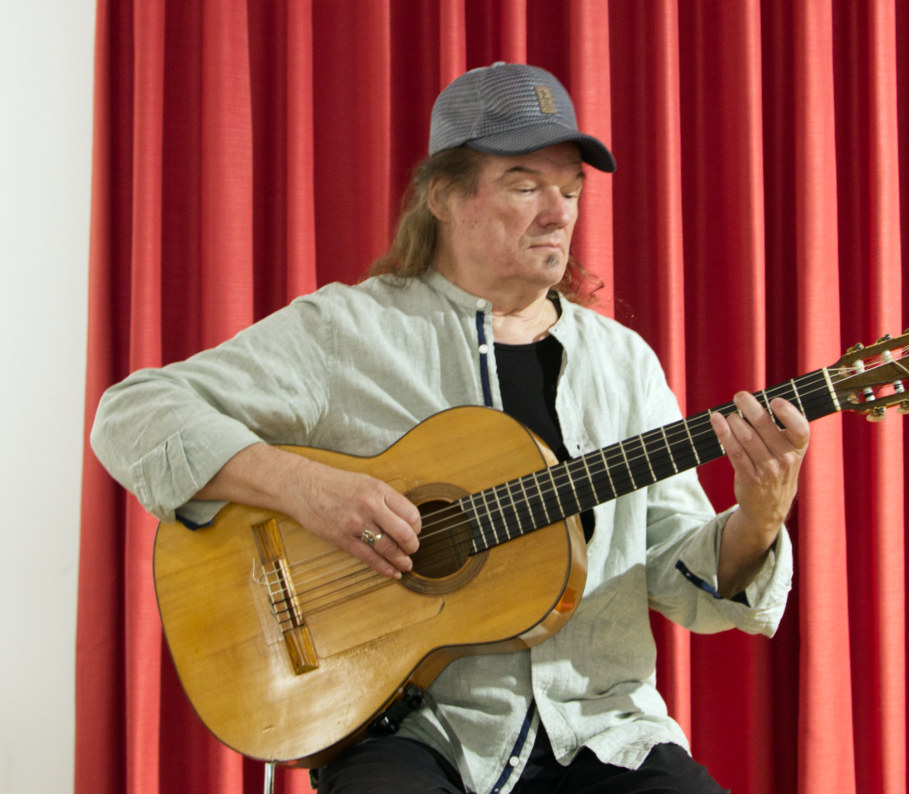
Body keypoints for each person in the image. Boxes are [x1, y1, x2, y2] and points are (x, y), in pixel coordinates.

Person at [91, 62, 810, 794]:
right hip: (412, 729)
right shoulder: (348, 331)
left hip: (600, 730)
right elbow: (132, 413)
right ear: (442, 195)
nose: (557, 214)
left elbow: (678, 579)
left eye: (570, 191)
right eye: (525, 186)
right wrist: (308, 489)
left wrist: (759, 517)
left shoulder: (624, 363)